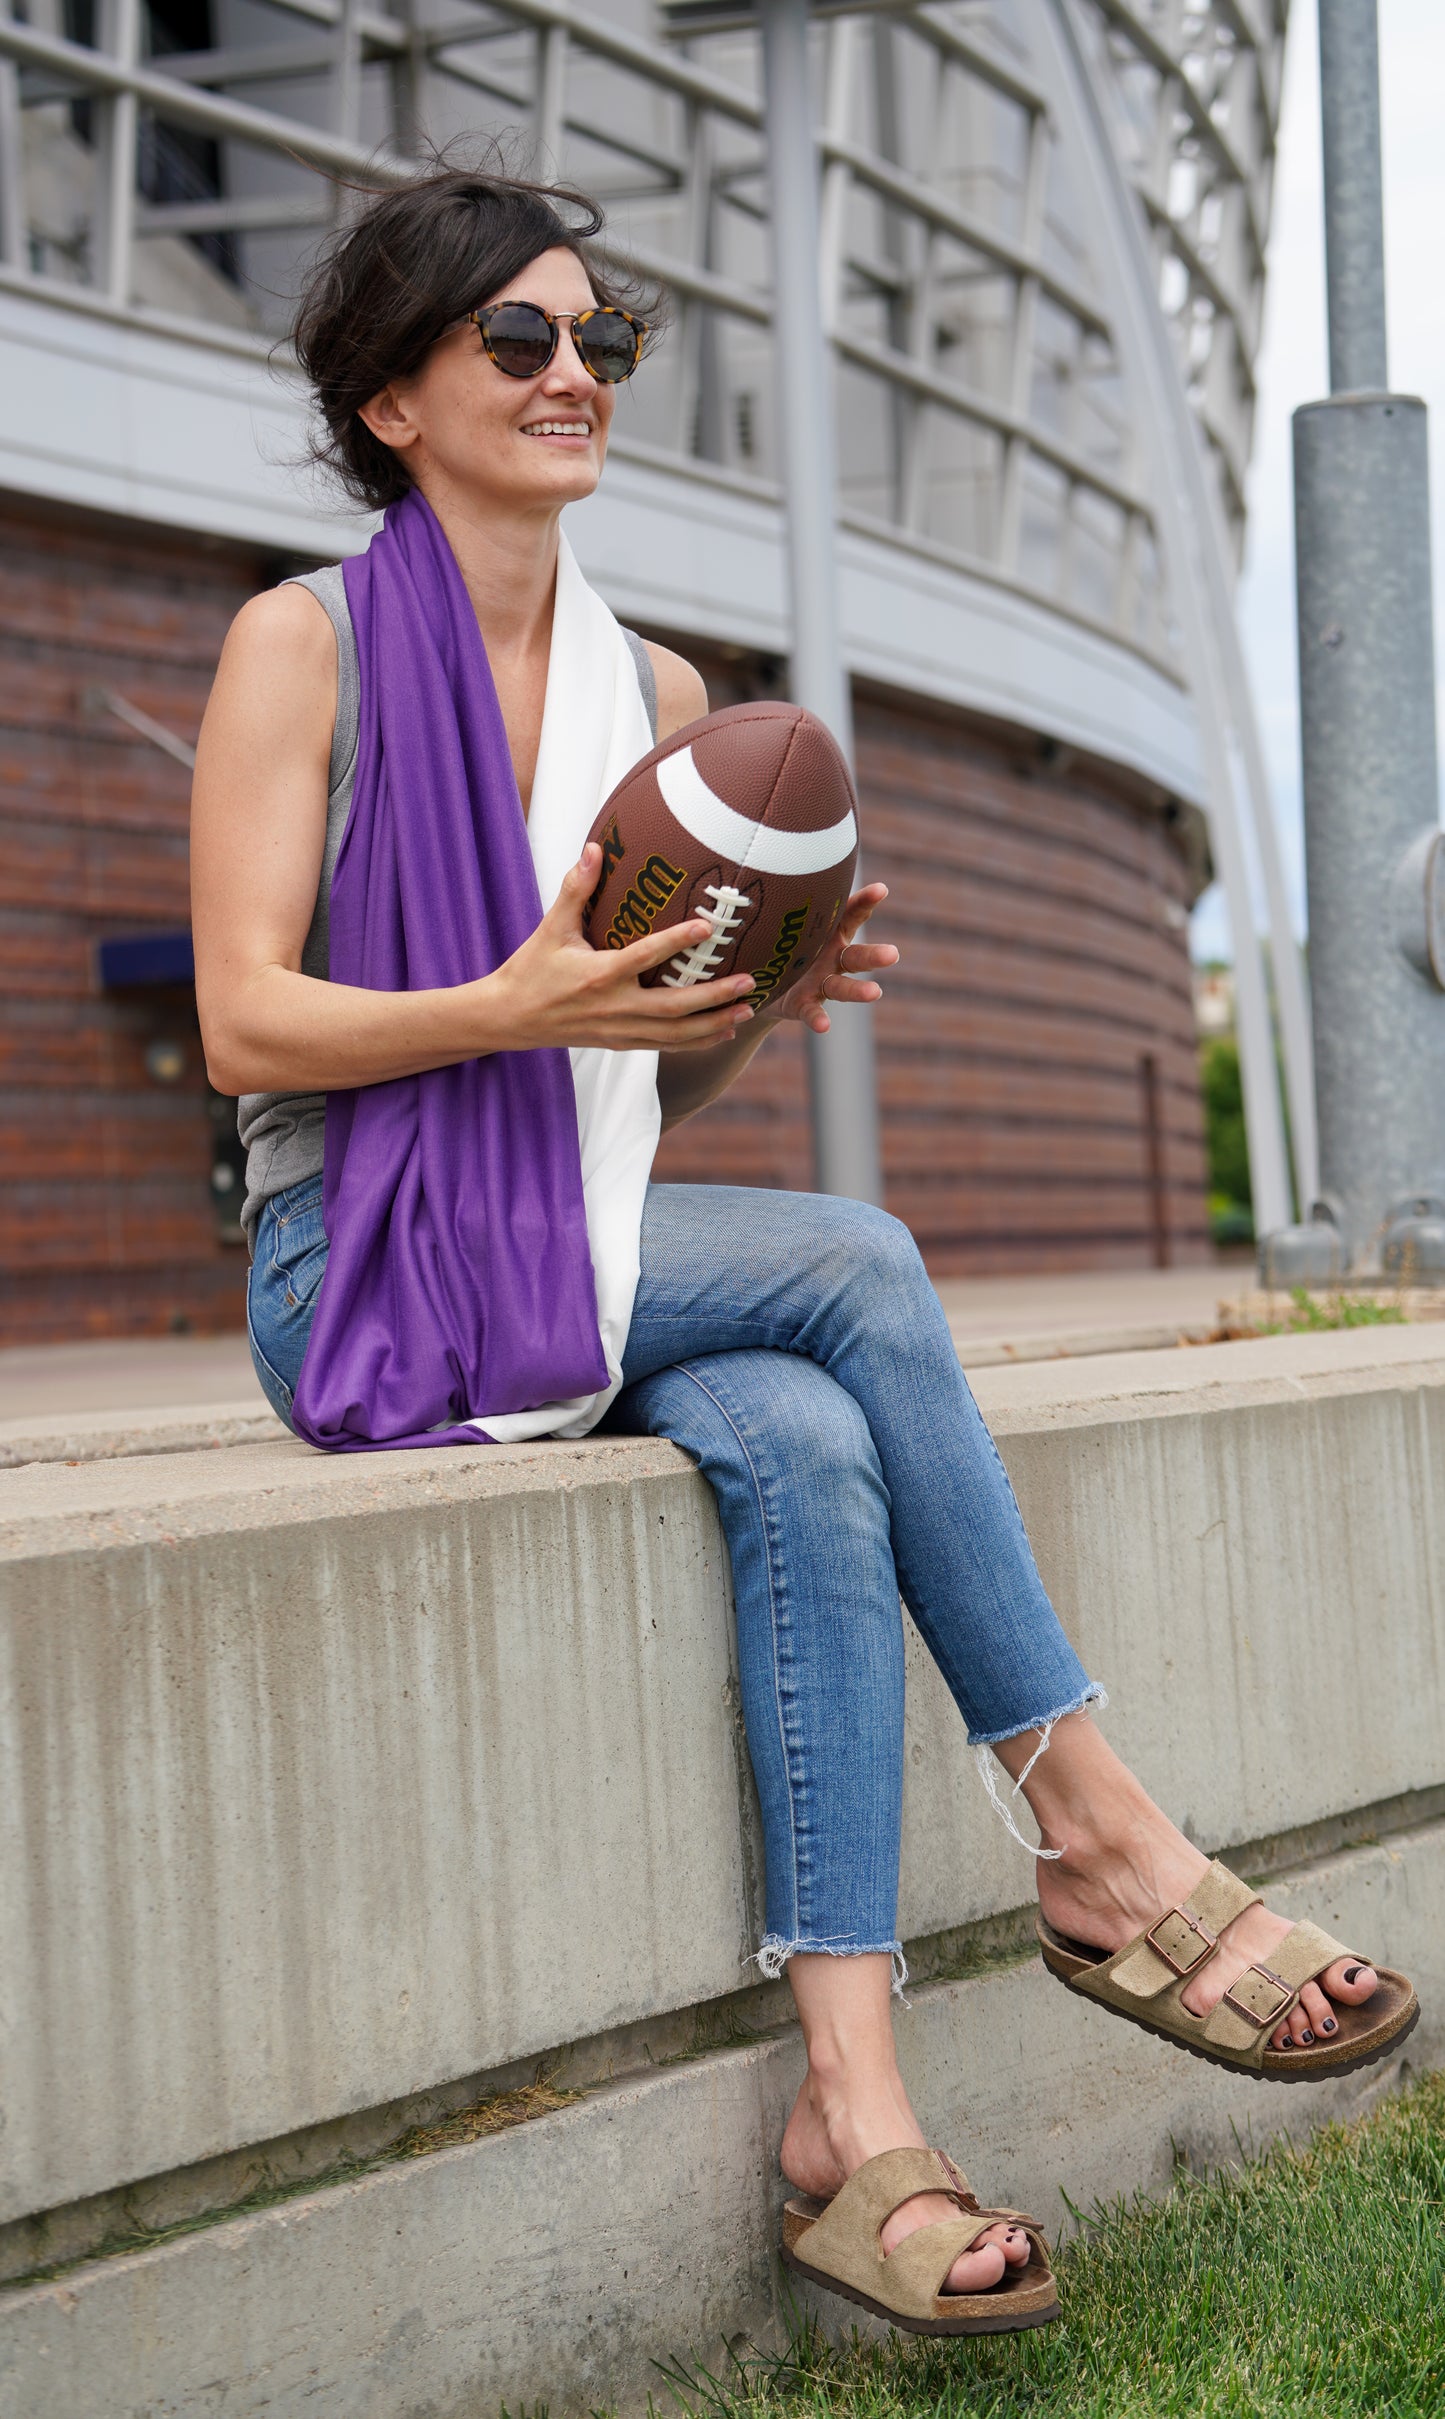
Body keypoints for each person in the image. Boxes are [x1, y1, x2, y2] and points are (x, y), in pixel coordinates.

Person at [191, 163, 1417, 2341]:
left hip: (573, 1242)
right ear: (391, 395)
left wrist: (735, 1005)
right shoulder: (300, 649)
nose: (576, 376)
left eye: (604, 345)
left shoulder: (655, 689)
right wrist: (517, 1000)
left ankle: (855, 2121)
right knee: (853, 1260)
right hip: (354, 1268)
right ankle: (1104, 1835)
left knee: (801, 1434)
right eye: (518, 340)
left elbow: (633, 1113)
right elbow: (242, 1024)